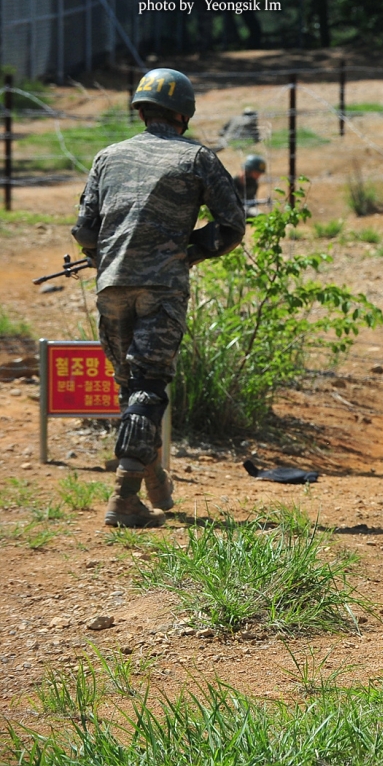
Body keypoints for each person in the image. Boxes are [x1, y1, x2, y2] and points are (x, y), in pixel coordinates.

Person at [71, 69, 245, 528]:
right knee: (149, 387)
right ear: (183, 114)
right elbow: (231, 225)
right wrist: (188, 252)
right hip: (162, 287)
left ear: (141, 109)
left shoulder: (108, 156)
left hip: (110, 285)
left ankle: (156, 485)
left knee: (132, 389)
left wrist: (102, 257)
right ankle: (125, 500)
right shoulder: (198, 159)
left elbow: (85, 229)